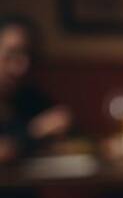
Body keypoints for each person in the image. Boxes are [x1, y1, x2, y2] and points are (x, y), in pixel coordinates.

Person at [0, 15, 71, 163]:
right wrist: (35, 131)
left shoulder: (28, 96)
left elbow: (65, 123)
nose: (23, 67)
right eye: (12, 53)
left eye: (29, 56)